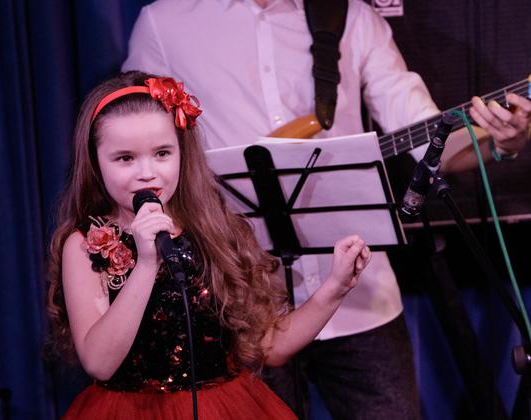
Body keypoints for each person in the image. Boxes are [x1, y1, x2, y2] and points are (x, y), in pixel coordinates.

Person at [121, 0, 531, 418]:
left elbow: (429, 139)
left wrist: (499, 142)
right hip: (239, 300)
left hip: (359, 290)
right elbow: (133, 144)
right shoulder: (164, 22)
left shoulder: (352, 16)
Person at [45, 70, 372, 419]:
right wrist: (146, 263)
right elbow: (99, 363)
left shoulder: (212, 229)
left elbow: (270, 346)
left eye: (162, 153)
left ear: (182, 153)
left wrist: (335, 288)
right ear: (96, 163)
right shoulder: (86, 244)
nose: (146, 172)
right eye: (125, 158)